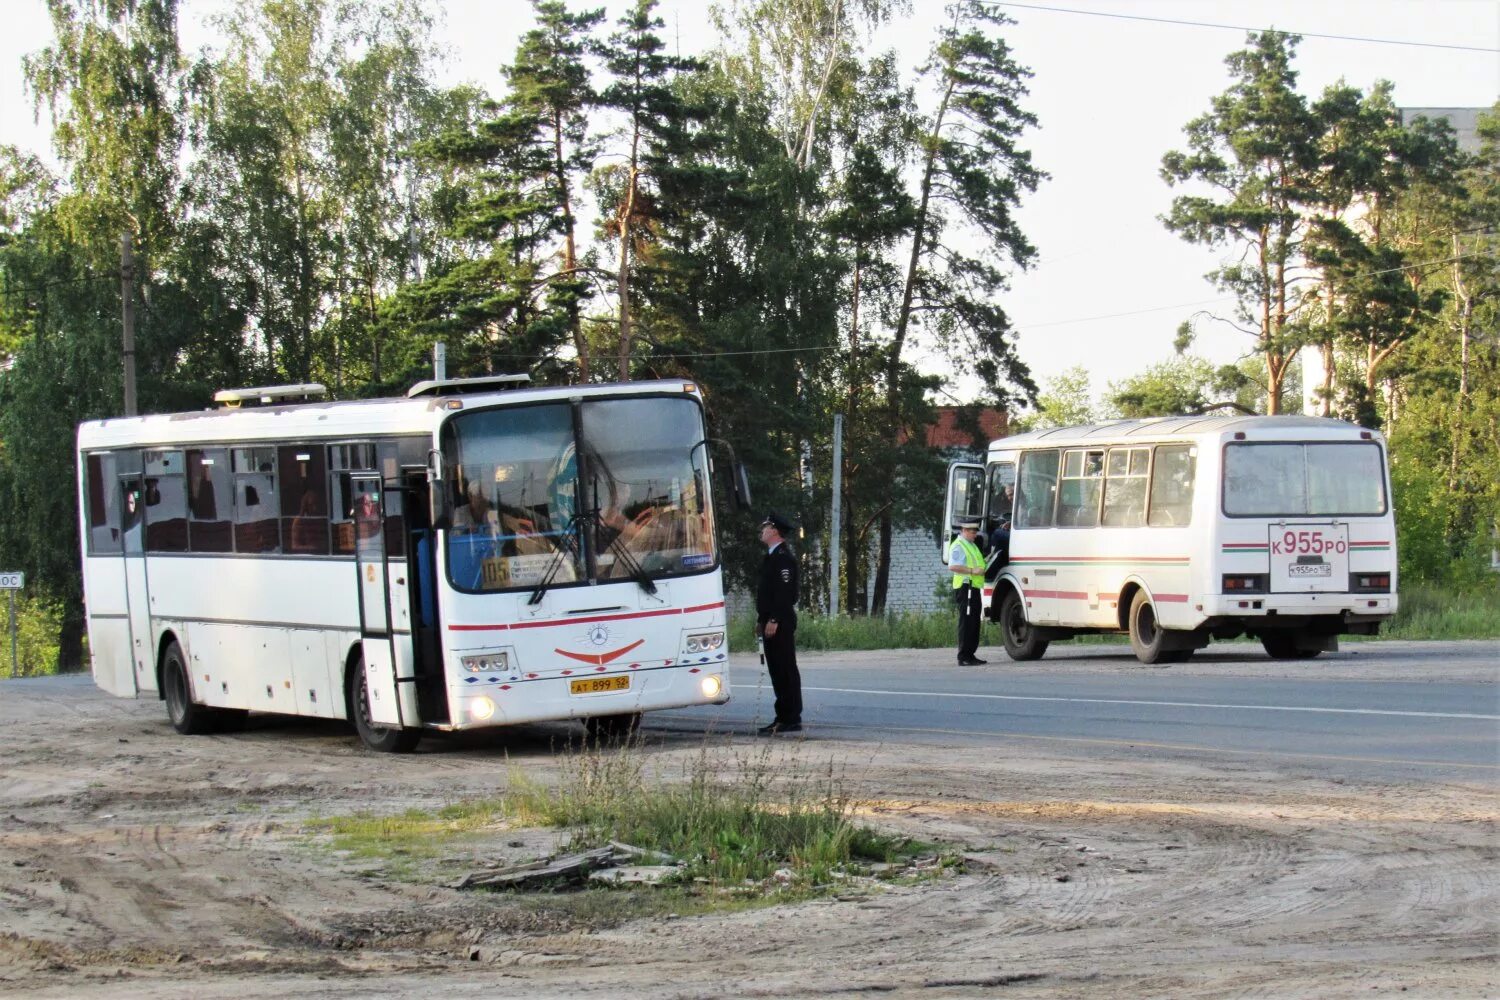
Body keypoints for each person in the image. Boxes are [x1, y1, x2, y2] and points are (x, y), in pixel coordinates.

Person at [755, 512, 802, 734]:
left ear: (774, 530)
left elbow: (785, 594)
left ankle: (791, 717)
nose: (762, 530)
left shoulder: (783, 558)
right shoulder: (772, 556)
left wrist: (774, 619)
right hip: (770, 620)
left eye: (765, 527)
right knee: (776, 669)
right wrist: (761, 619)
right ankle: (782, 716)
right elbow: (767, 594)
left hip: (780, 622)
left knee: (785, 669)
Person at [947, 520, 987, 665]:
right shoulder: (958, 545)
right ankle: (963, 656)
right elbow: (952, 566)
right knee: (967, 621)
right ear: (964, 530)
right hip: (965, 587)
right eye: (972, 532)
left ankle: (970, 654)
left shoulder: (971, 545)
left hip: (973, 587)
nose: (975, 535)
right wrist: (972, 571)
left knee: (974, 621)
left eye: (975, 532)